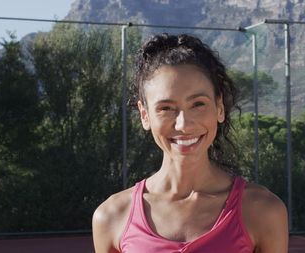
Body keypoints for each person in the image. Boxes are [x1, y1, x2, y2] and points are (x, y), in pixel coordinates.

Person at [92, 33, 288, 253]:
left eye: (198, 104)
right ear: (145, 115)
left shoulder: (263, 211)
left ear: (220, 108)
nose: (183, 124)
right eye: (166, 108)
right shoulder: (111, 216)